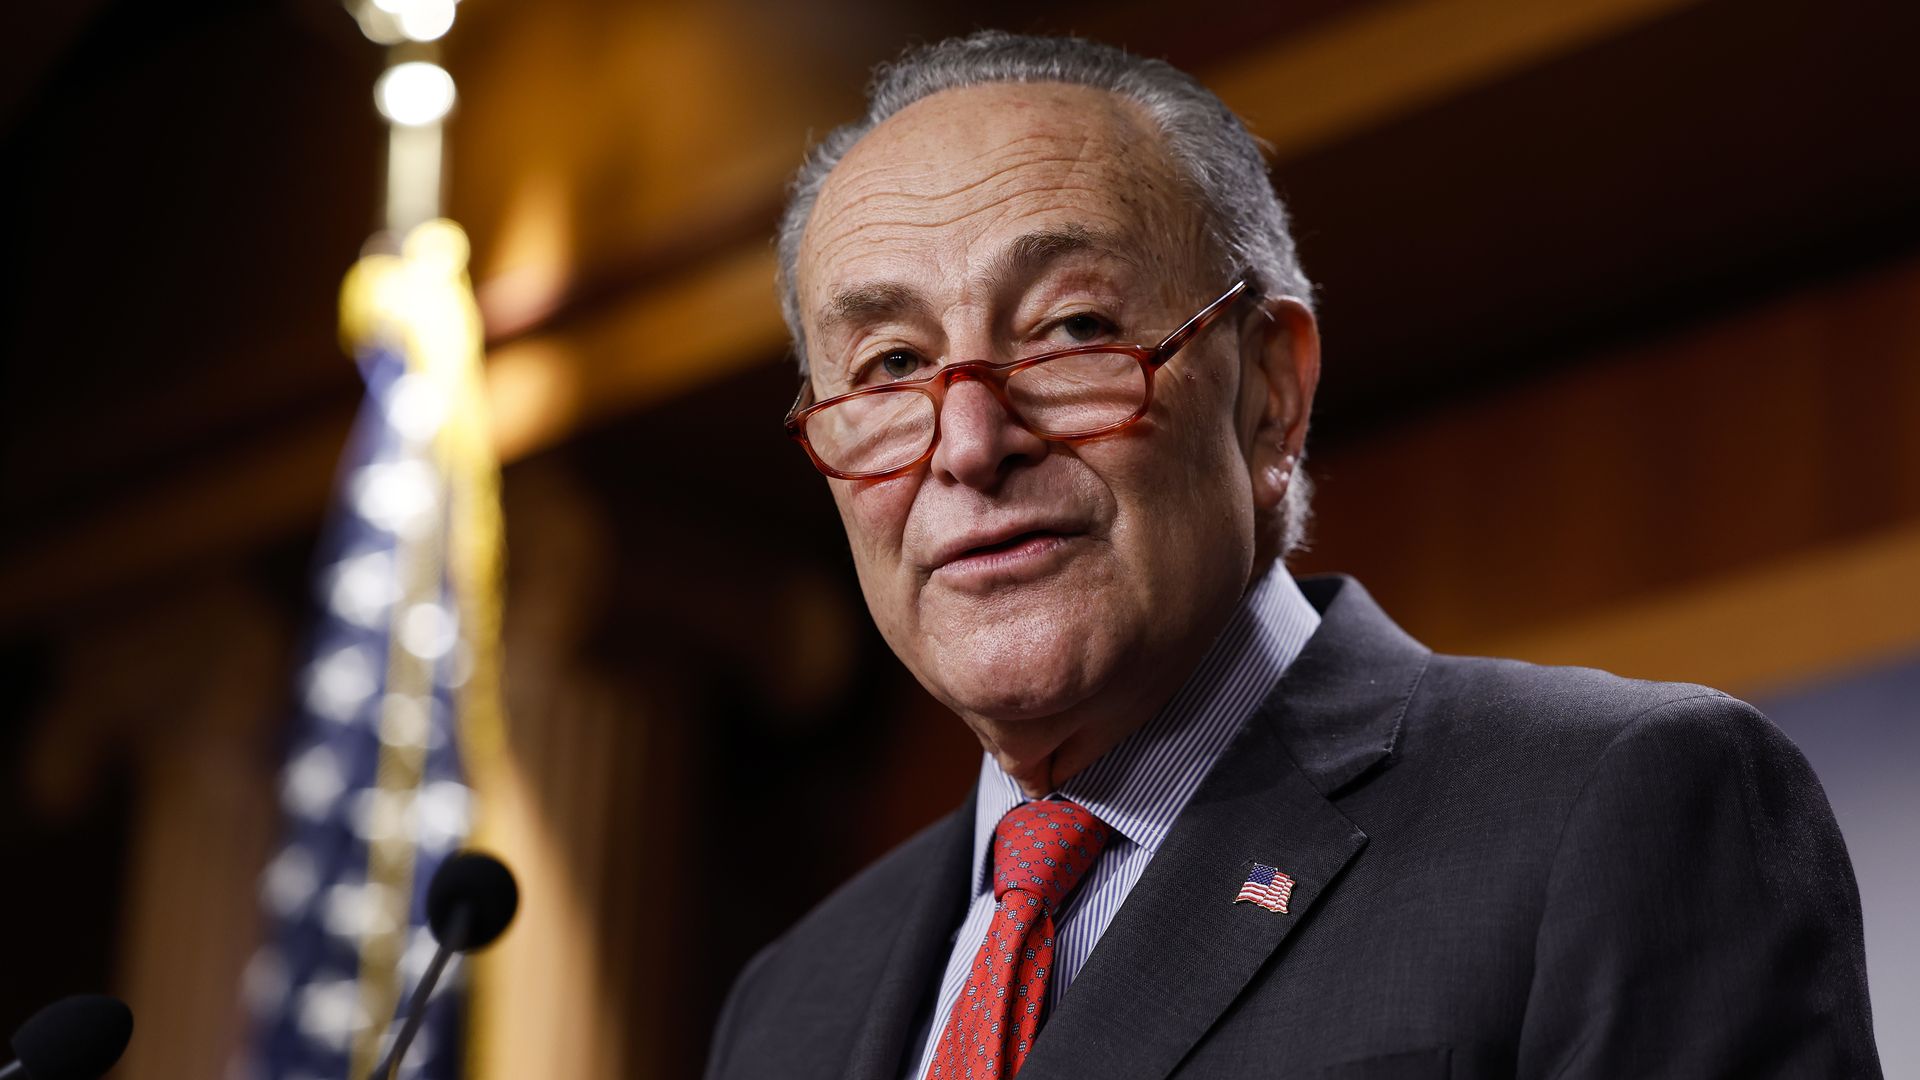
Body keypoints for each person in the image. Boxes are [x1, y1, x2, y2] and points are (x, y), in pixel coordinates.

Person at [705, 31, 1880, 1080]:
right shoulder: (792, 999)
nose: (968, 442)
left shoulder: (1623, 807)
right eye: (891, 369)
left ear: (1272, 389)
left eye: (1073, 330)